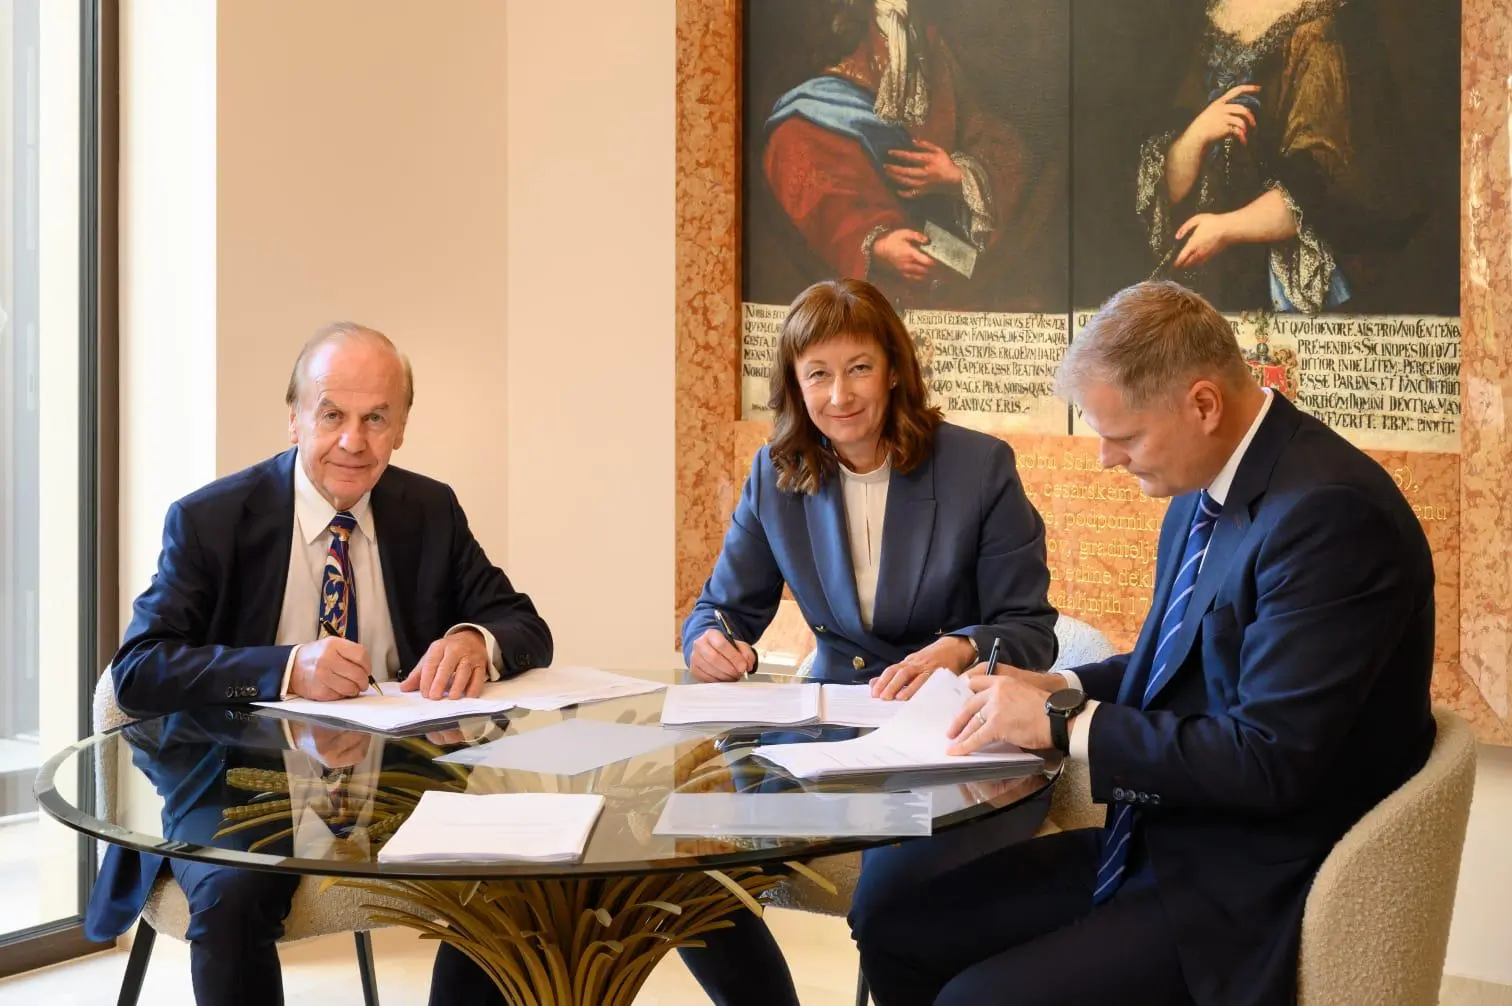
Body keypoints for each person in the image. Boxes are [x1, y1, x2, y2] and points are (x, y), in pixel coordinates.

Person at [851, 280, 1437, 1005]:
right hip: (1164, 840)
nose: (1104, 458)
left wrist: (1065, 726)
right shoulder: (1203, 485)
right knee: (892, 925)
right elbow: (1180, 667)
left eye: (1123, 436)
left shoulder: (1331, 517)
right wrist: (1059, 689)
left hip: (1250, 880)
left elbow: (1270, 761)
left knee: (977, 998)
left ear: (1202, 404)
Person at [83, 323, 553, 1006]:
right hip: (237, 773)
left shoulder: (429, 510)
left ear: (402, 428)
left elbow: (525, 626)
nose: (353, 442)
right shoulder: (211, 519)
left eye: (376, 419)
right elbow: (140, 671)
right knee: (233, 898)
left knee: (508, 871)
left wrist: (474, 640)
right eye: (331, 414)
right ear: (295, 417)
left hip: (400, 774)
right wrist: (284, 668)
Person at [678, 277, 1059, 1005]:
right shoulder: (776, 472)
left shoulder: (978, 468)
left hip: (958, 739)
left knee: (887, 908)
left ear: (893, 370)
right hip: (827, 731)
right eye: (817, 373)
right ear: (794, 383)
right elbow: (720, 610)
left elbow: (1030, 631)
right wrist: (710, 643)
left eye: (858, 368)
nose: (840, 394)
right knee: (688, 860)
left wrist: (959, 648)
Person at [761, 0, 1059, 309]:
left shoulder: (929, 45)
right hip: (865, 282)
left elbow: (996, 141)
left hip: (946, 258)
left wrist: (959, 177)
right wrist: (877, 245)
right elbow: (795, 153)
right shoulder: (823, 80)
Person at [1139, 0, 1423, 314]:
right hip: (1209, 269)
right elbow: (1171, 189)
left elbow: (1317, 182)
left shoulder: (1317, 32)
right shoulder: (1217, 28)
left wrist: (1224, 229)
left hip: (1282, 275)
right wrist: (1197, 134)